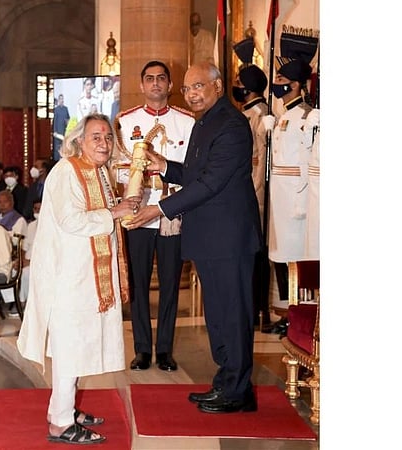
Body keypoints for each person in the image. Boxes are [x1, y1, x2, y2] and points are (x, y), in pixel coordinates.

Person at [127, 63, 261, 414]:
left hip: (229, 239)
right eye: (186, 90)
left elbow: (211, 183)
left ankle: (237, 389)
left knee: (233, 313)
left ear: (218, 86)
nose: (191, 94)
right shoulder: (205, 123)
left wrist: (159, 210)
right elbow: (193, 174)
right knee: (218, 314)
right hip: (211, 238)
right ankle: (228, 382)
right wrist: (164, 166)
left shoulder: (231, 125)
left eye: (198, 86)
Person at [17, 114, 140, 445]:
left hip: (89, 277)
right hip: (69, 277)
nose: (104, 143)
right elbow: (71, 221)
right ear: (79, 141)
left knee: (78, 343)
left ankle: (65, 409)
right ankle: (60, 422)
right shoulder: (65, 171)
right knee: (70, 346)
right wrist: (115, 212)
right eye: (96, 137)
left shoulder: (98, 171)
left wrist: (124, 209)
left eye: (108, 137)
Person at [114, 60, 195, 372]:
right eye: (150, 79)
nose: (156, 84)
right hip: (138, 209)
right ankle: (141, 350)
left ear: (170, 85)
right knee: (138, 282)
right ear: (142, 84)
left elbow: (192, 169)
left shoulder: (187, 122)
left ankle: (164, 350)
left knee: (171, 282)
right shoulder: (126, 120)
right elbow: (119, 167)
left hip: (172, 209)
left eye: (162, 78)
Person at [267, 55, 319, 334]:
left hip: (296, 199)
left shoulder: (308, 117)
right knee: (280, 255)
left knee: (295, 258)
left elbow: (308, 162)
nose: (276, 86)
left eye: (282, 82)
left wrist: (302, 201)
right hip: (280, 197)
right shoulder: (283, 116)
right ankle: (288, 310)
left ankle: (297, 313)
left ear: (297, 85)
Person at [234, 63, 277, 332]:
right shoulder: (248, 112)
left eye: (239, 82)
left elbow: (261, 160)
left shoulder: (260, 115)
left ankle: (260, 308)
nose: (236, 86)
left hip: (255, 192)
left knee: (257, 253)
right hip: (246, 189)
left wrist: (255, 190)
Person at [52, 94, 70, 160]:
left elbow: (68, 119)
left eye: (62, 99)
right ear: (58, 100)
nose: (61, 100)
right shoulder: (56, 109)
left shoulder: (65, 109)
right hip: (57, 131)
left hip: (64, 131)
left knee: (64, 146)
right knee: (57, 146)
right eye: (60, 99)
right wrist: (54, 131)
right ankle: (56, 160)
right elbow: (54, 121)